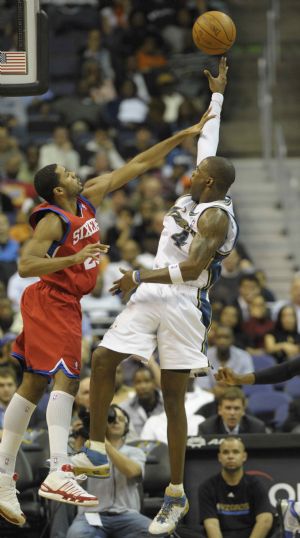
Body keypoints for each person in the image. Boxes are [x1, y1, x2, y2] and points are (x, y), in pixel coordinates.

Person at [0, 115, 209, 527]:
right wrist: (74, 258)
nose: (77, 173)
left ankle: (4, 478)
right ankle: (59, 469)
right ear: (58, 189)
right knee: (68, 379)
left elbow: (137, 165)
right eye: (68, 173)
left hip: (65, 301)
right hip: (49, 298)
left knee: (33, 383)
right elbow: (25, 264)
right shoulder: (51, 219)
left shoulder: (88, 197)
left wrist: (182, 136)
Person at [72, 57, 240, 536]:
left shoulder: (214, 218)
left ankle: (175, 494)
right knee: (103, 359)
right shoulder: (201, 188)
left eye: (196, 172)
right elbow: (210, 137)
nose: (188, 173)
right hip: (152, 295)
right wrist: (218, 95)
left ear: (207, 181)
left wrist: (138, 276)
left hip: (186, 302)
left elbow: (190, 268)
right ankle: (98, 450)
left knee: (173, 399)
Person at [67, 404, 151, 538]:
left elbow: (133, 472)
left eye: (121, 419)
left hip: (127, 515)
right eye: (111, 418)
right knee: (76, 535)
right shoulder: (88, 450)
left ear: (126, 427)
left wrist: (103, 443)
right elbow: (72, 480)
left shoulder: (135, 451)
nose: (116, 421)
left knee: (156, 532)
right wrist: (79, 445)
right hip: (91, 515)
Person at [197, 437, 274, 538]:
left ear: (244, 456)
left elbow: (265, 520)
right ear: (219, 457)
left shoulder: (256, 485)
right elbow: (211, 525)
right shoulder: (207, 487)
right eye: (225, 452)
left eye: (235, 452)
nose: (230, 456)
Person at [198, 387, 267, 435]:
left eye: (236, 408)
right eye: (228, 408)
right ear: (220, 410)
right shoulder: (206, 428)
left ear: (243, 410)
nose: (232, 413)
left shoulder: (257, 428)